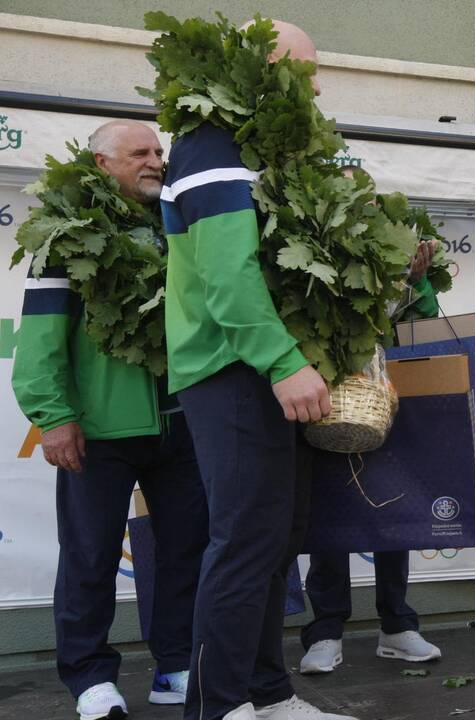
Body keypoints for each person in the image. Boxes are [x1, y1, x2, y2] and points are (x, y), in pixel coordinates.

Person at [159, 20, 353, 720]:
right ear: (260, 67)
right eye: (305, 71)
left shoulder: (258, 147)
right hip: (231, 368)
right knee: (244, 543)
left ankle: (268, 696)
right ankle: (217, 706)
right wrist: (279, 361)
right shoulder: (212, 142)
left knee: (275, 543)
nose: (318, 86)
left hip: (264, 366)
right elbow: (224, 274)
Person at [12, 120, 208, 720]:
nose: (155, 161)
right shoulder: (68, 234)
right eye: (139, 154)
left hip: (181, 422)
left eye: (158, 152)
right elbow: (41, 338)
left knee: (184, 552)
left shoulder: (180, 223)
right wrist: (55, 416)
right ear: (101, 165)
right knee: (90, 556)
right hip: (99, 428)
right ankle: (89, 676)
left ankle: (175, 664)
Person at [300, 176, 442, 673]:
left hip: (384, 401)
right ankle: (325, 631)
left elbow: (423, 323)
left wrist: (416, 281)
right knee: (327, 516)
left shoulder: (392, 261)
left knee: (395, 511)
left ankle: (398, 626)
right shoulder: (309, 257)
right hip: (324, 398)